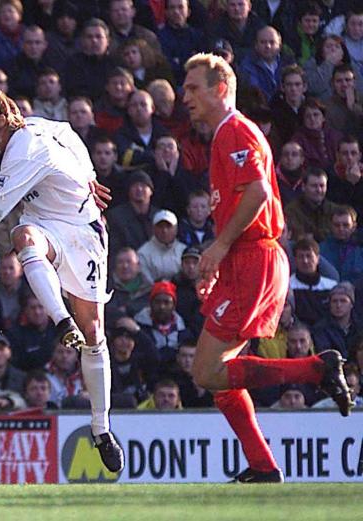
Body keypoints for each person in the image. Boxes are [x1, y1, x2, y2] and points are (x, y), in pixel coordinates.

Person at [0, 88, 122, 471]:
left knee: (95, 335)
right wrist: (89, 175)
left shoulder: (22, 149)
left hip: (83, 231)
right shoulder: (37, 125)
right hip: (45, 224)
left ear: (1, 121)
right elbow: (68, 131)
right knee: (23, 237)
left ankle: (101, 428)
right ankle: (62, 320)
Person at [182, 52, 351, 483]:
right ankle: (262, 465)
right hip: (246, 257)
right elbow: (240, 203)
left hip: (254, 257)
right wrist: (218, 259)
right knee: (220, 377)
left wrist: (218, 249)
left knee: (206, 371)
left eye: (193, 87)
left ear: (221, 89)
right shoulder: (224, 135)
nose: (185, 96)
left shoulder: (234, 130)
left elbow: (257, 192)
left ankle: (316, 367)